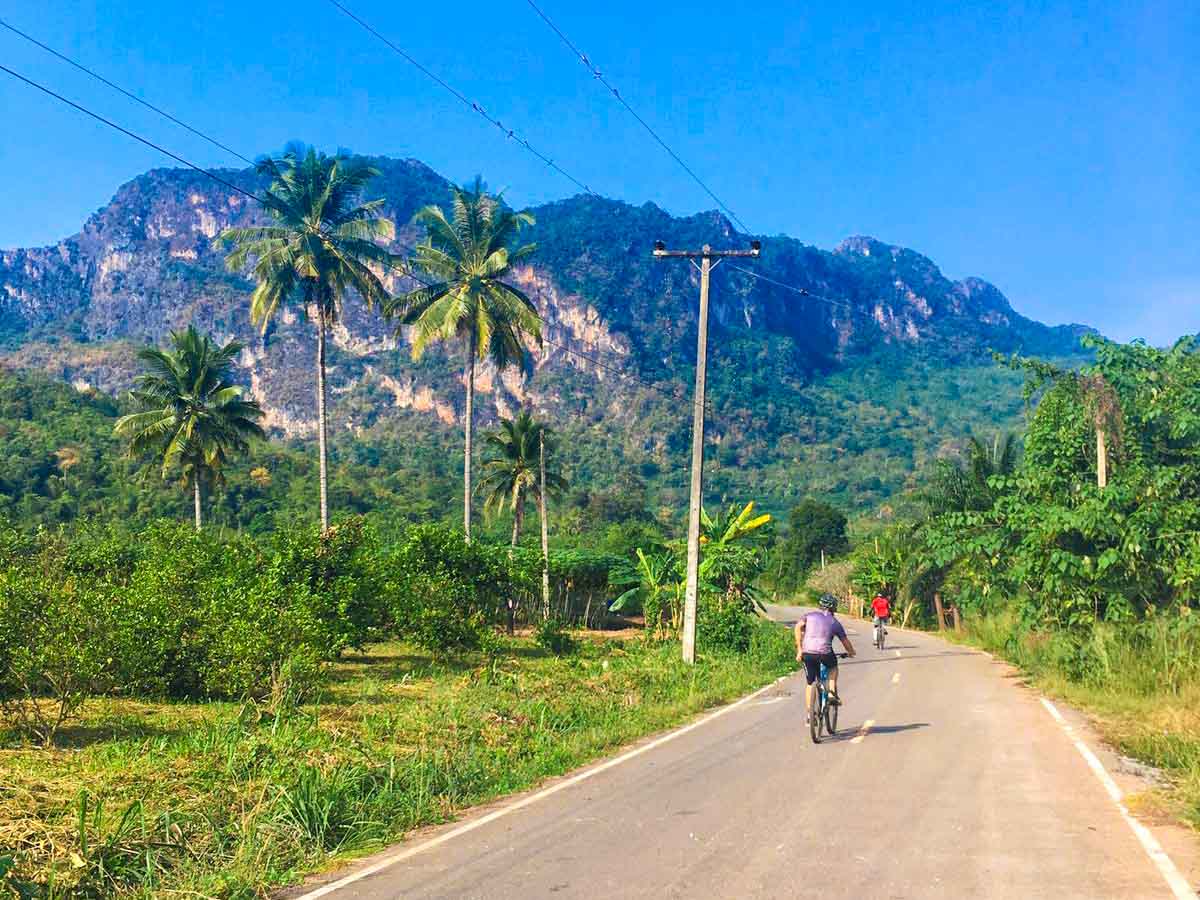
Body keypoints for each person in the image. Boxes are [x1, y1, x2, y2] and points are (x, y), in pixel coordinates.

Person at [795, 593, 855, 725]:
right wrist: (851, 652)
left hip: (808, 653)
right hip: (825, 653)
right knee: (833, 667)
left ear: (820, 605)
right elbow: (845, 642)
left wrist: (799, 649)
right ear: (834, 608)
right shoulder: (835, 622)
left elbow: (798, 627)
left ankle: (810, 716)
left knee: (811, 682)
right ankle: (831, 693)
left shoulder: (809, 616)